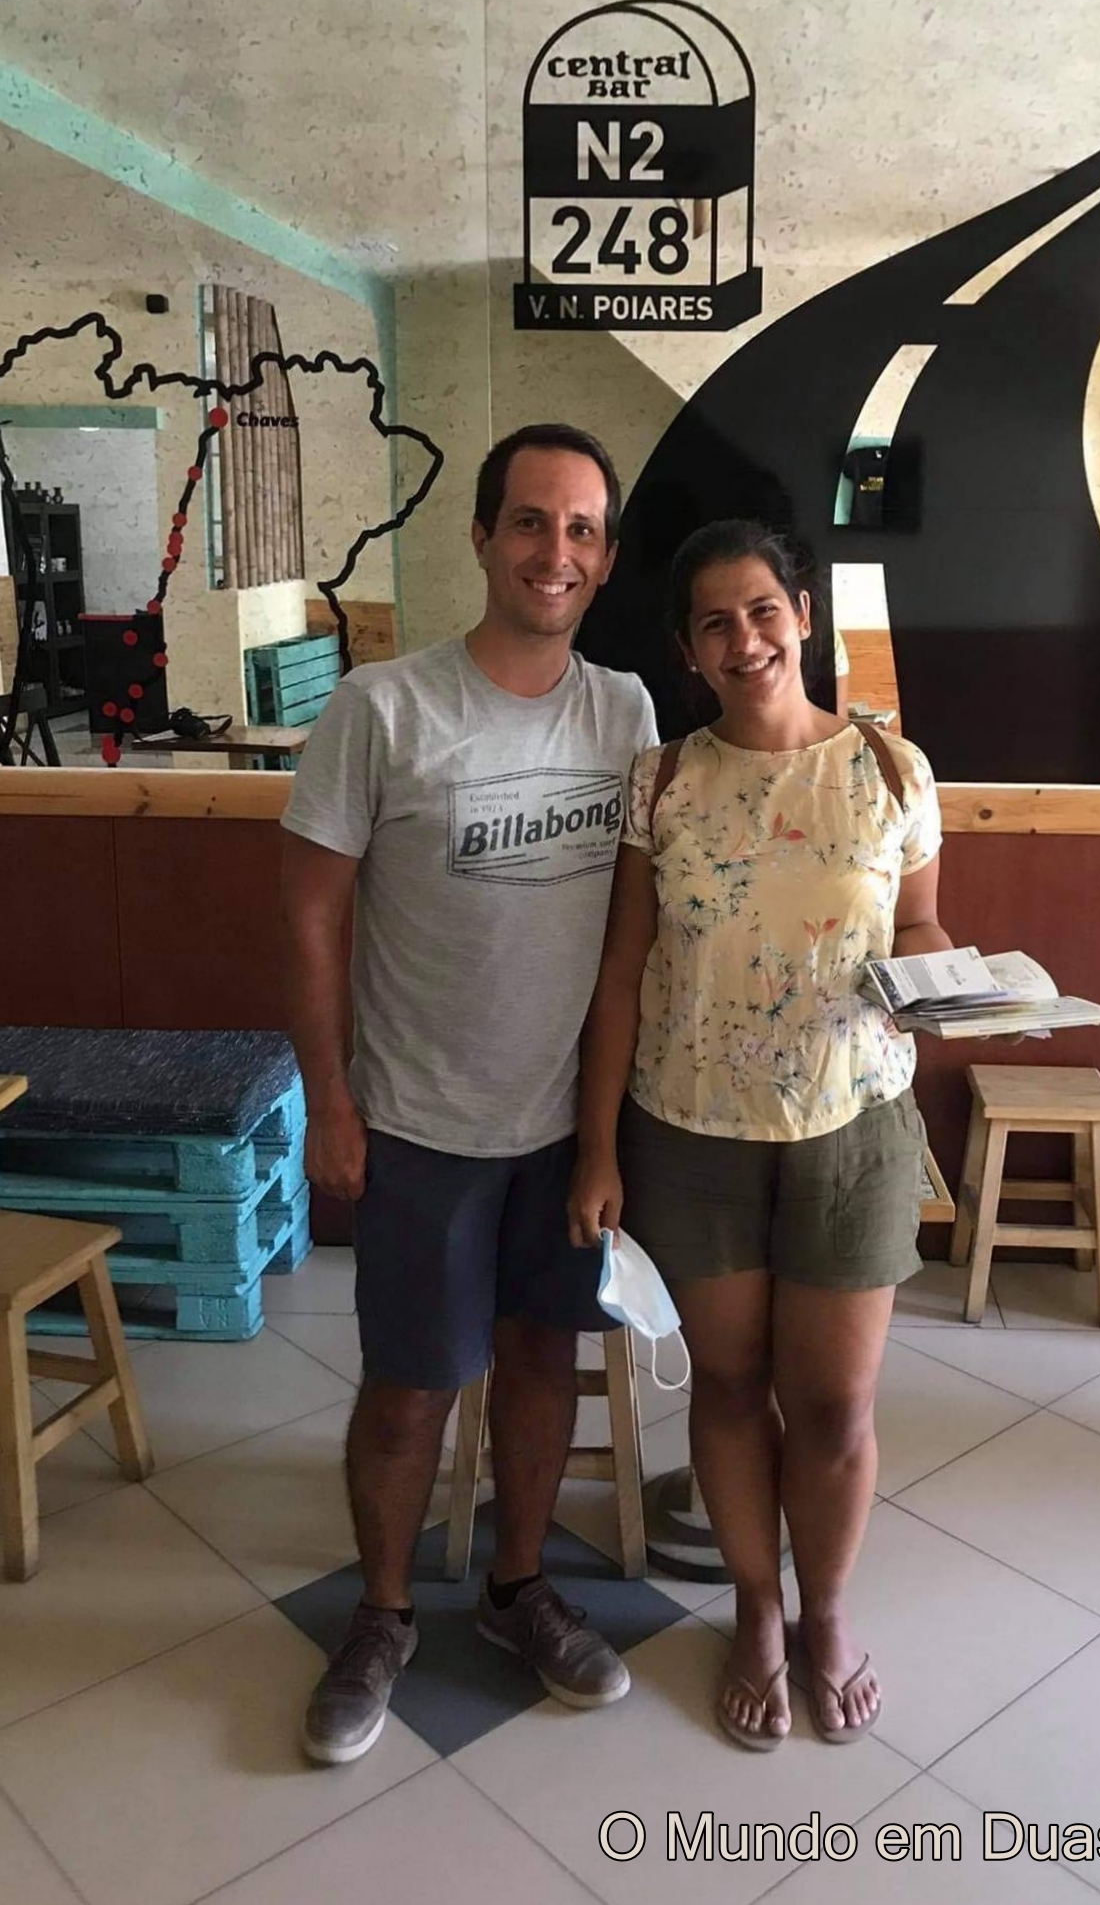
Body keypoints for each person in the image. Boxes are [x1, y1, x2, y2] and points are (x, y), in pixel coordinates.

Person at [281, 422, 657, 1765]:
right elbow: (308, 916)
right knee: (407, 1389)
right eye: (529, 521)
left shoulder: (624, 712)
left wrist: (603, 1132)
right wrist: (328, 1100)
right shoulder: (382, 708)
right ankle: (380, 1613)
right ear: (483, 535)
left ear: (603, 556)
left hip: (561, 1128)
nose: (553, 551)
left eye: (579, 528)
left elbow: (625, 941)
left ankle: (516, 1585)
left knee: (542, 1363)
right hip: (417, 1120)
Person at [569, 519, 950, 1751]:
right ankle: (754, 1606)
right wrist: (596, 1147)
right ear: (687, 649)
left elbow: (919, 927)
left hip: (853, 1125)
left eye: (761, 611)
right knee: (730, 1386)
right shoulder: (661, 781)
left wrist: (958, 983)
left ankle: (824, 1611)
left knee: (833, 1404)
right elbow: (622, 969)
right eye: (714, 623)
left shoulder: (890, 767)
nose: (744, 640)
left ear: (801, 615)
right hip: (690, 1129)